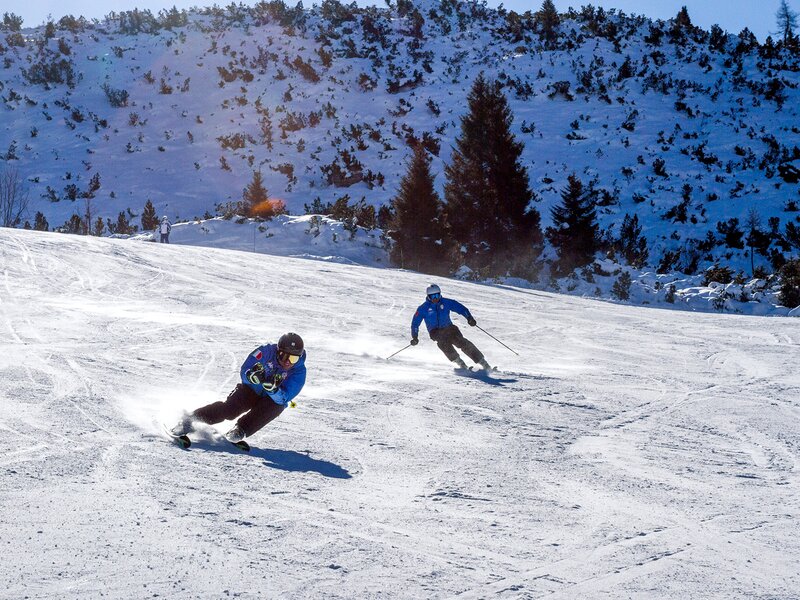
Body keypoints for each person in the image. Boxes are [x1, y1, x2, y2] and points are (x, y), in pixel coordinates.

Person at [172, 333, 306, 443]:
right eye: (284, 356)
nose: (288, 362)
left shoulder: (299, 372)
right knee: (230, 411)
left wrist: (274, 390)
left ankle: (239, 430)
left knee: (276, 407)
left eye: (293, 359)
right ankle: (190, 419)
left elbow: (285, 397)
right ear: (278, 351)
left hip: (271, 400)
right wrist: (251, 376)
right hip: (251, 390)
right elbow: (245, 369)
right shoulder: (265, 351)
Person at [410, 284, 491, 370]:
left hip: (449, 328)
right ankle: (460, 363)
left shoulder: (446, 302)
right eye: (433, 296)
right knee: (443, 343)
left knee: (461, 342)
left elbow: (461, 308)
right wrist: (415, 337)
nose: (435, 298)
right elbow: (415, 323)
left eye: (437, 295)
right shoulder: (423, 308)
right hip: (435, 331)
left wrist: (469, 318)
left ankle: (483, 363)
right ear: (428, 296)